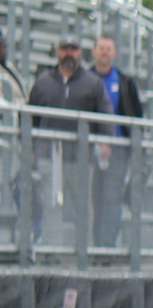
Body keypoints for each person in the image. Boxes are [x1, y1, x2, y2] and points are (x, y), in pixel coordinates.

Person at [26, 36, 113, 245]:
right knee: (51, 207)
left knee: (83, 207)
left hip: (80, 159)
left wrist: (105, 142)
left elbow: (105, 115)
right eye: (65, 49)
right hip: (49, 157)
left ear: (80, 53)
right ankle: (52, 255)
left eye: (73, 49)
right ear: (58, 52)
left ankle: (84, 253)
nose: (69, 54)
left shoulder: (93, 83)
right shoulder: (43, 82)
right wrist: (30, 148)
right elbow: (30, 118)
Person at [87, 35, 143, 250]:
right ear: (93, 52)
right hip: (88, 149)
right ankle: (92, 246)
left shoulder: (125, 82)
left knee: (111, 200)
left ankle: (106, 248)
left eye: (109, 48)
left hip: (118, 151)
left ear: (115, 53)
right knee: (94, 200)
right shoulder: (84, 79)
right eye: (101, 48)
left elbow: (137, 115)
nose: (105, 52)